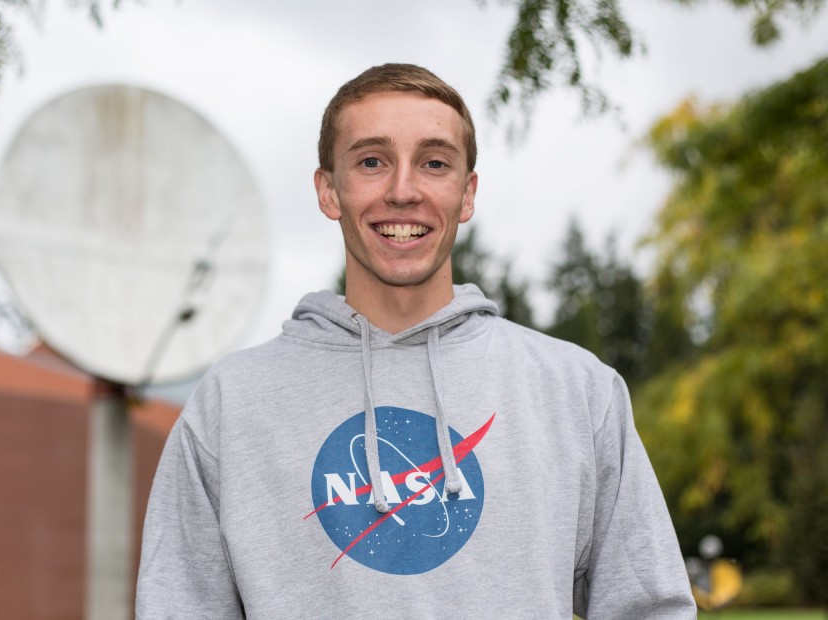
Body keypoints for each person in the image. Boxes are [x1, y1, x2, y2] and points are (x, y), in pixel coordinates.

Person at [136, 63, 696, 619]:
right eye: (372, 162)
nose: (403, 191)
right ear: (329, 190)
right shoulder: (233, 403)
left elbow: (648, 606)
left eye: (433, 163)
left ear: (466, 193)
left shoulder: (577, 391)